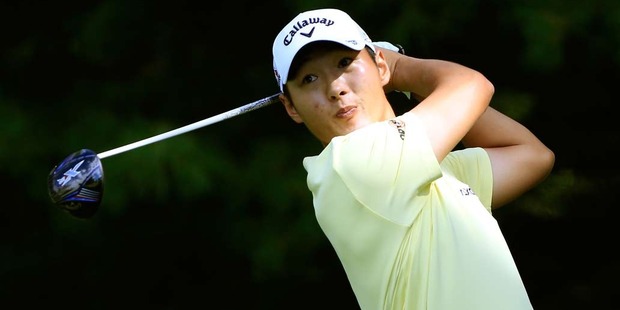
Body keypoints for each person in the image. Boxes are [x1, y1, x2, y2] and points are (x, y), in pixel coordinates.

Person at [271, 8, 554, 310]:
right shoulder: (351, 164)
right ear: (291, 107)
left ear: (377, 66)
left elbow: (531, 155)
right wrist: (399, 68)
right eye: (309, 78)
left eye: (344, 63)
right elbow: (473, 86)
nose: (335, 88)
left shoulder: (430, 171)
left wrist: (403, 80)